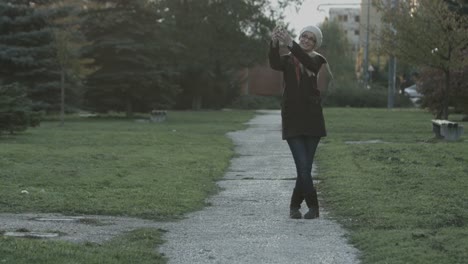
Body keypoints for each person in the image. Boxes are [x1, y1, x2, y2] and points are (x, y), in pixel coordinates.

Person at [269, 25, 332, 219]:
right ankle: (314, 206)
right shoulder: (288, 59)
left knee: (304, 168)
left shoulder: (317, 60)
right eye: (303, 36)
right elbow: (274, 63)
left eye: (310, 38)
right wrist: (274, 43)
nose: (305, 40)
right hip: (292, 119)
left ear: (316, 43)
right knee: (303, 166)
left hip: (312, 120)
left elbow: (309, 64)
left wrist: (290, 43)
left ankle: (294, 206)